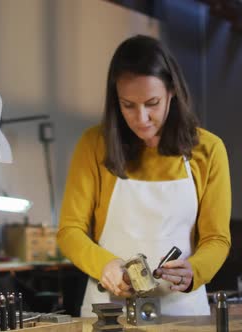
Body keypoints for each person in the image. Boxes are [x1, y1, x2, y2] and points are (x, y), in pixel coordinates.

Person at [57, 35, 231, 317]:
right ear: (116, 100)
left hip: (183, 312)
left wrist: (194, 270)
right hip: (110, 311)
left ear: (172, 92)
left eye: (152, 103)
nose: (141, 118)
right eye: (128, 105)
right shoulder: (93, 145)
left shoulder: (208, 150)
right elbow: (70, 231)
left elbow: (217, 238)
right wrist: (105, 265)